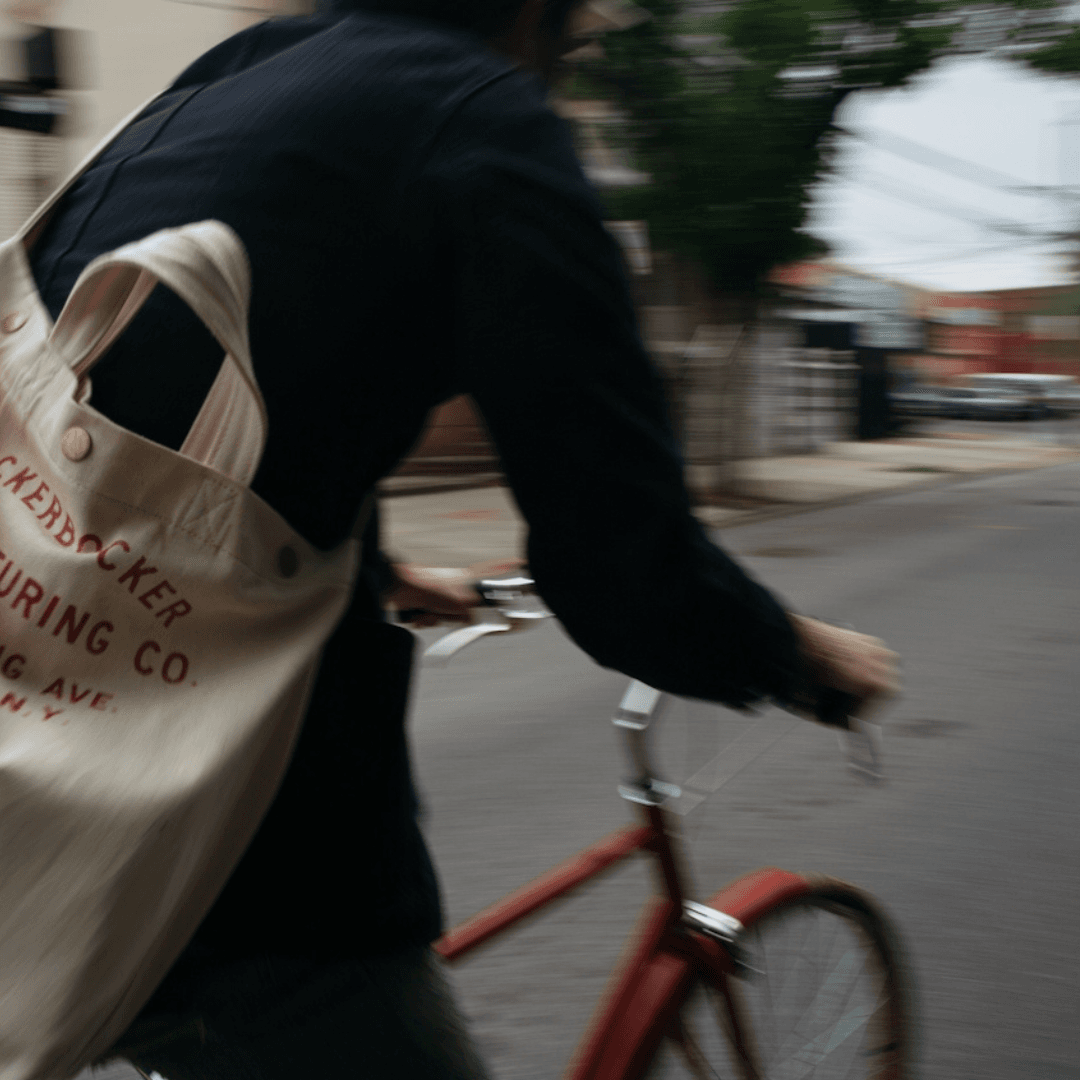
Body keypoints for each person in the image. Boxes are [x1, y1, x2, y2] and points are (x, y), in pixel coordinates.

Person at [26, 1, 899, 1076]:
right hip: (223, 849)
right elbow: (622, 565)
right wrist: (799, 656)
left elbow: (142, 395)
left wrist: (381, 571)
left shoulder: (255, 64)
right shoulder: (486, 123)